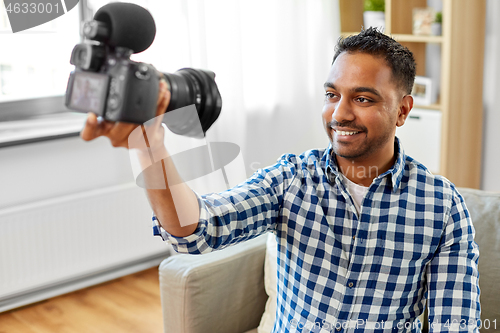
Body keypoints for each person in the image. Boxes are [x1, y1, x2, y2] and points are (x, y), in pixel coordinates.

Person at [81, 28, 480, 332]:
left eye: (363, 98)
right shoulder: (291, 178)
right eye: (331, 94)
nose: (339, 114)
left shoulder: (441, 207)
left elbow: (455, 322)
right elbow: (194, 229)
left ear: (402, 110)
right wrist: (148, 145)